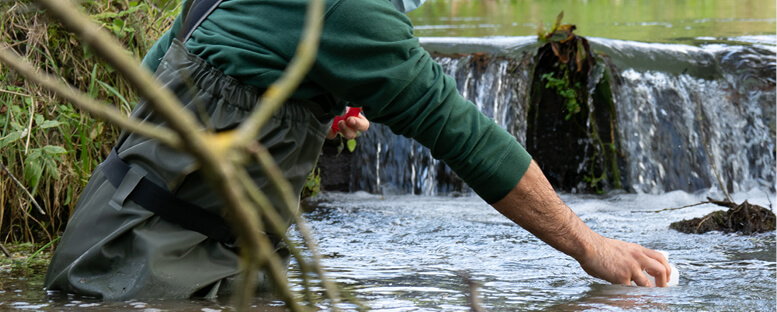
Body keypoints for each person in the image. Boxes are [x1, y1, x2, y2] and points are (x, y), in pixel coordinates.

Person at [44, 0, 670, 300]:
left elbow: (170, 64)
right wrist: (591, 246)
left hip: (139, 227)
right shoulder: (352, 11)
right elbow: (460, 131)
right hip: (143, 265)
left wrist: (307, 104)